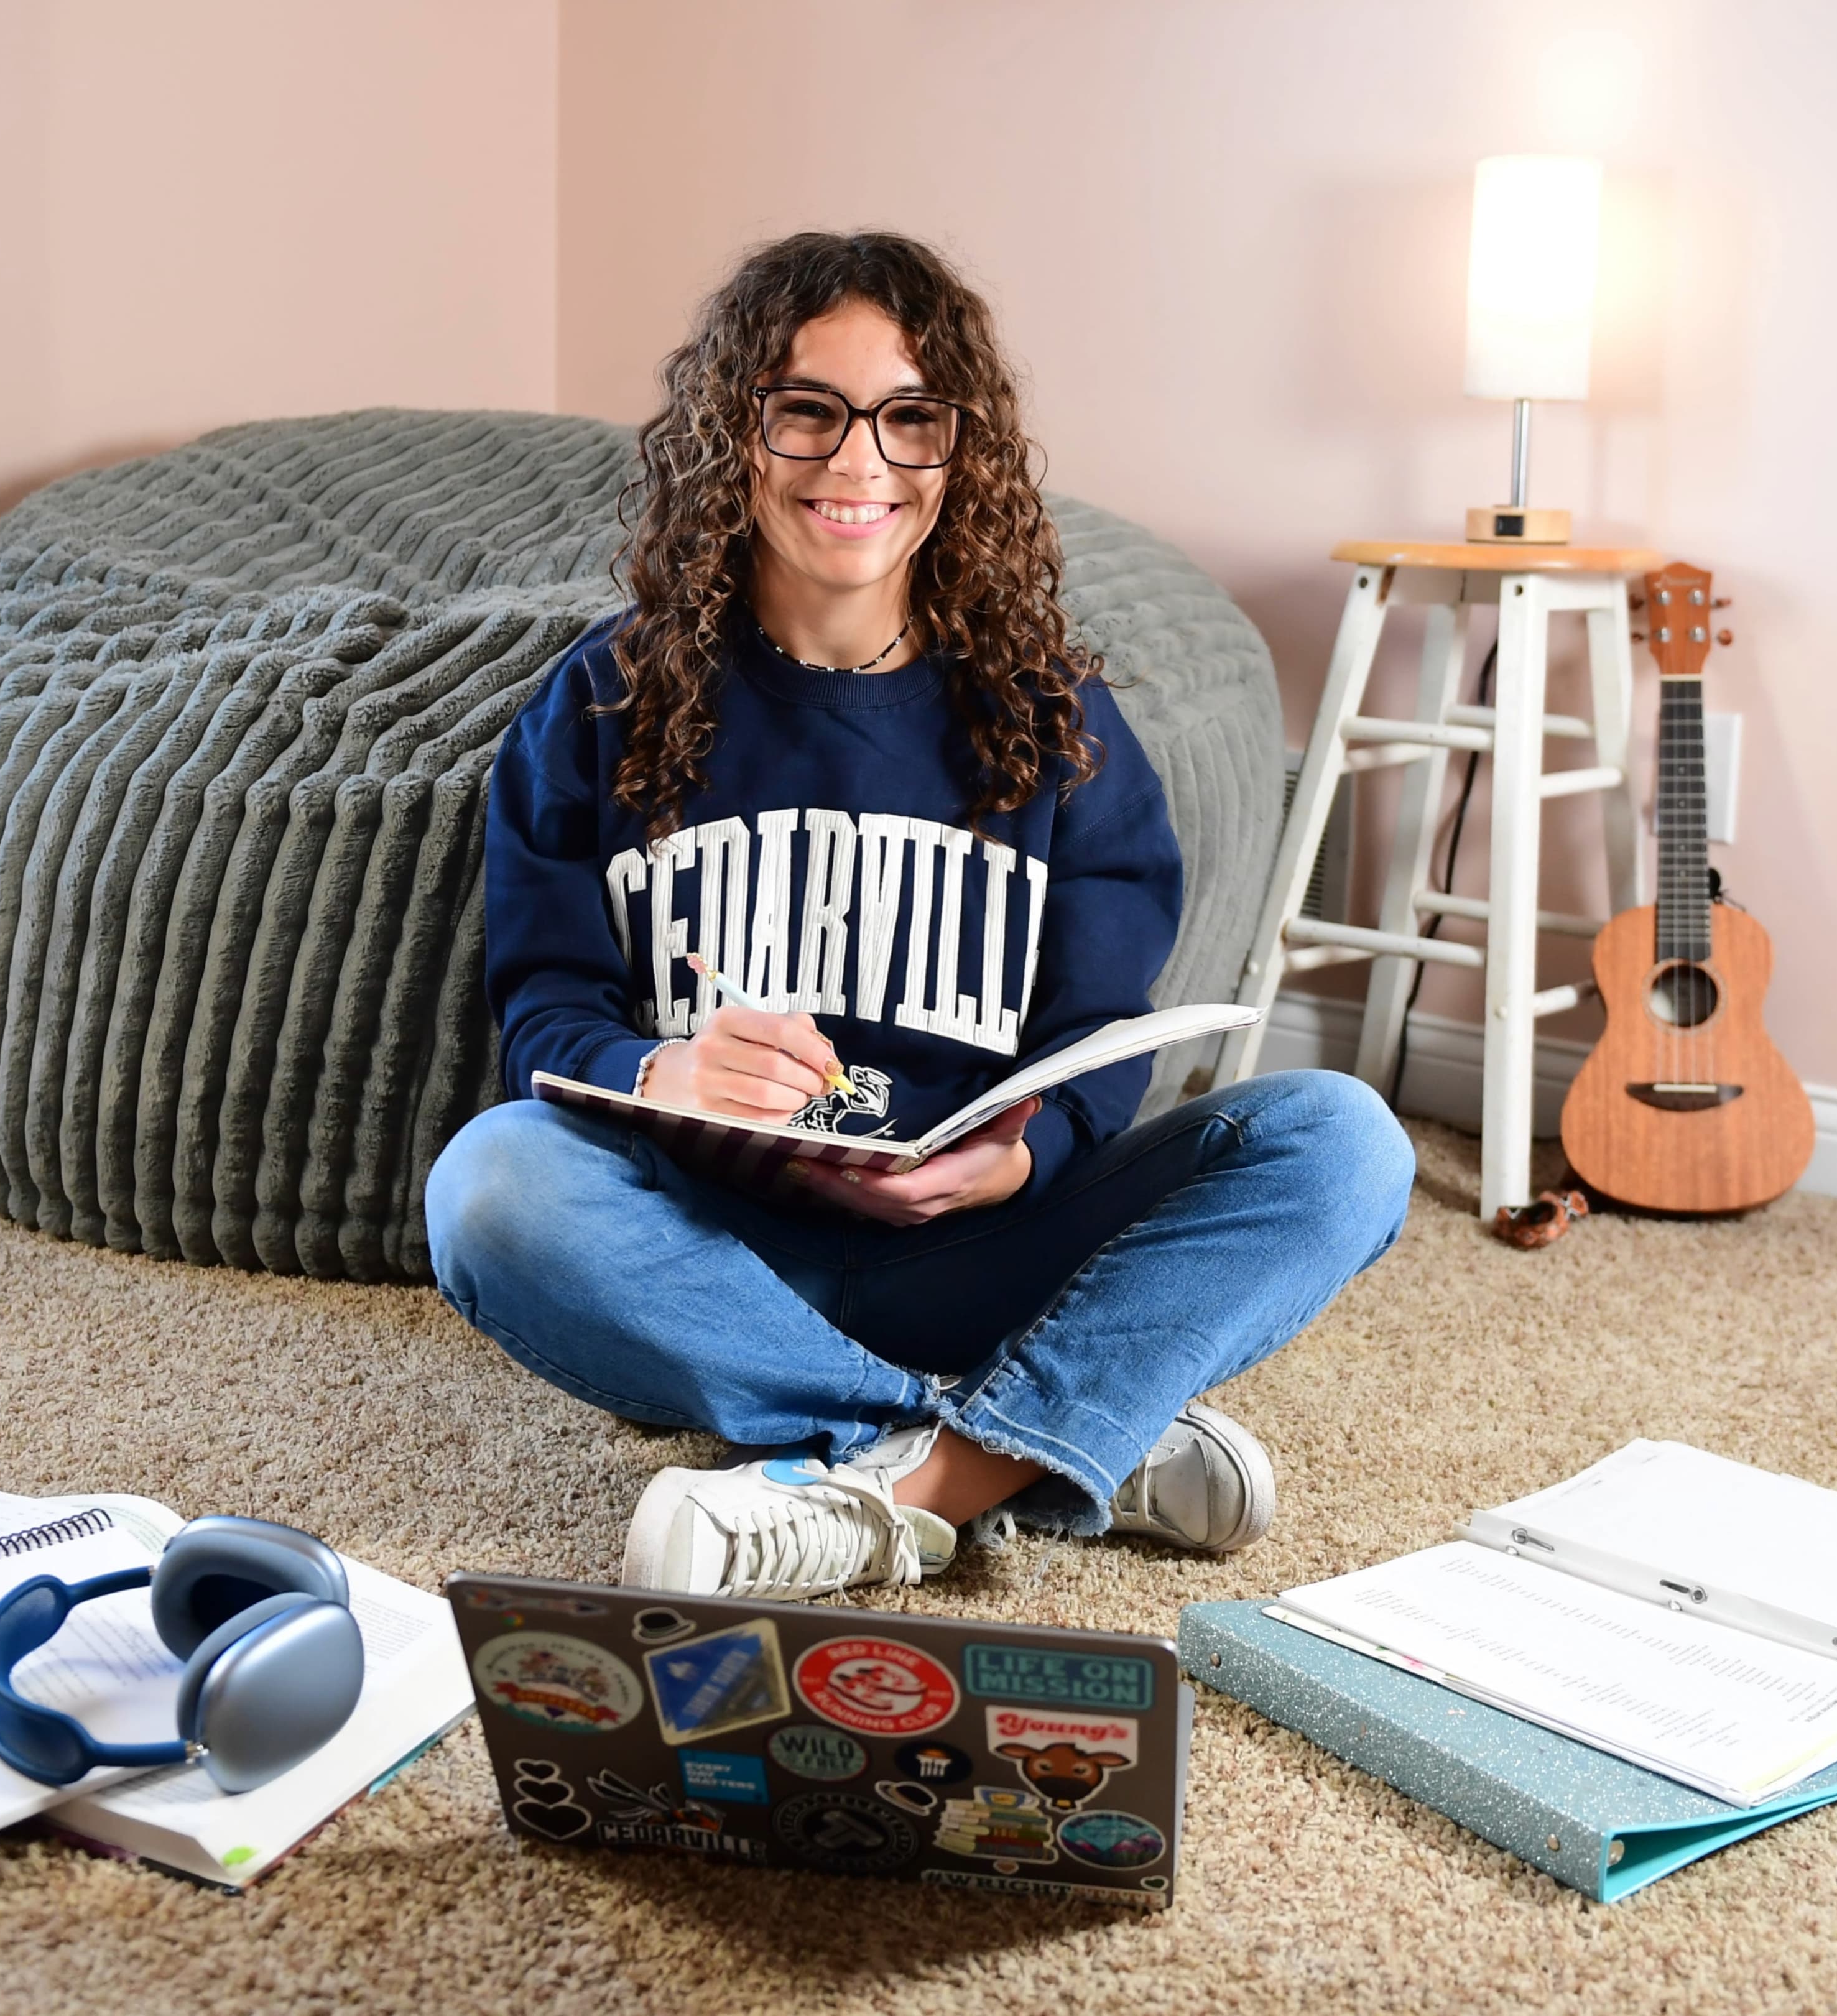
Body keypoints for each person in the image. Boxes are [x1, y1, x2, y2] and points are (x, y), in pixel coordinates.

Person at [427, 231, 1414, 1601]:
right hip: (717, 1260)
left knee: (1341, 1141)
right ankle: (1042, 1444)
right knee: (490, 1185)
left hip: (989, 1250)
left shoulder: (1056, 722)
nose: (859, 463)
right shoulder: (601, 703)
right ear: (732, 435)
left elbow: (1099, 1038)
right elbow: (544, 1013)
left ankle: (905, 1482)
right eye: (807, 411)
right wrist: (659, 1071)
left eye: (909, 418)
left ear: (960, 450)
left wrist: (1023, 1159)